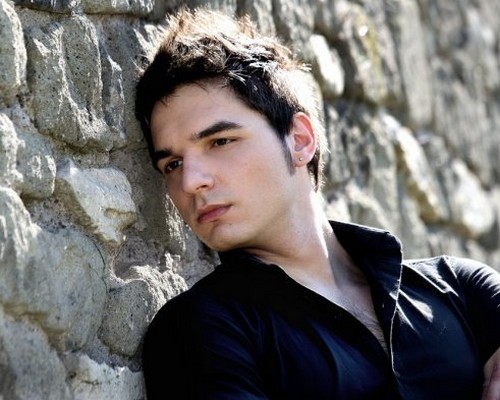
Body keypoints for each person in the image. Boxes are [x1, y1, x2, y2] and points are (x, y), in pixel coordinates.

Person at [136, 8, 500, 400]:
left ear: (300, 140)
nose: (191, 182)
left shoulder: (464, 288)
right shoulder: (199, 330)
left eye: (220, 141)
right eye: (172, 164)